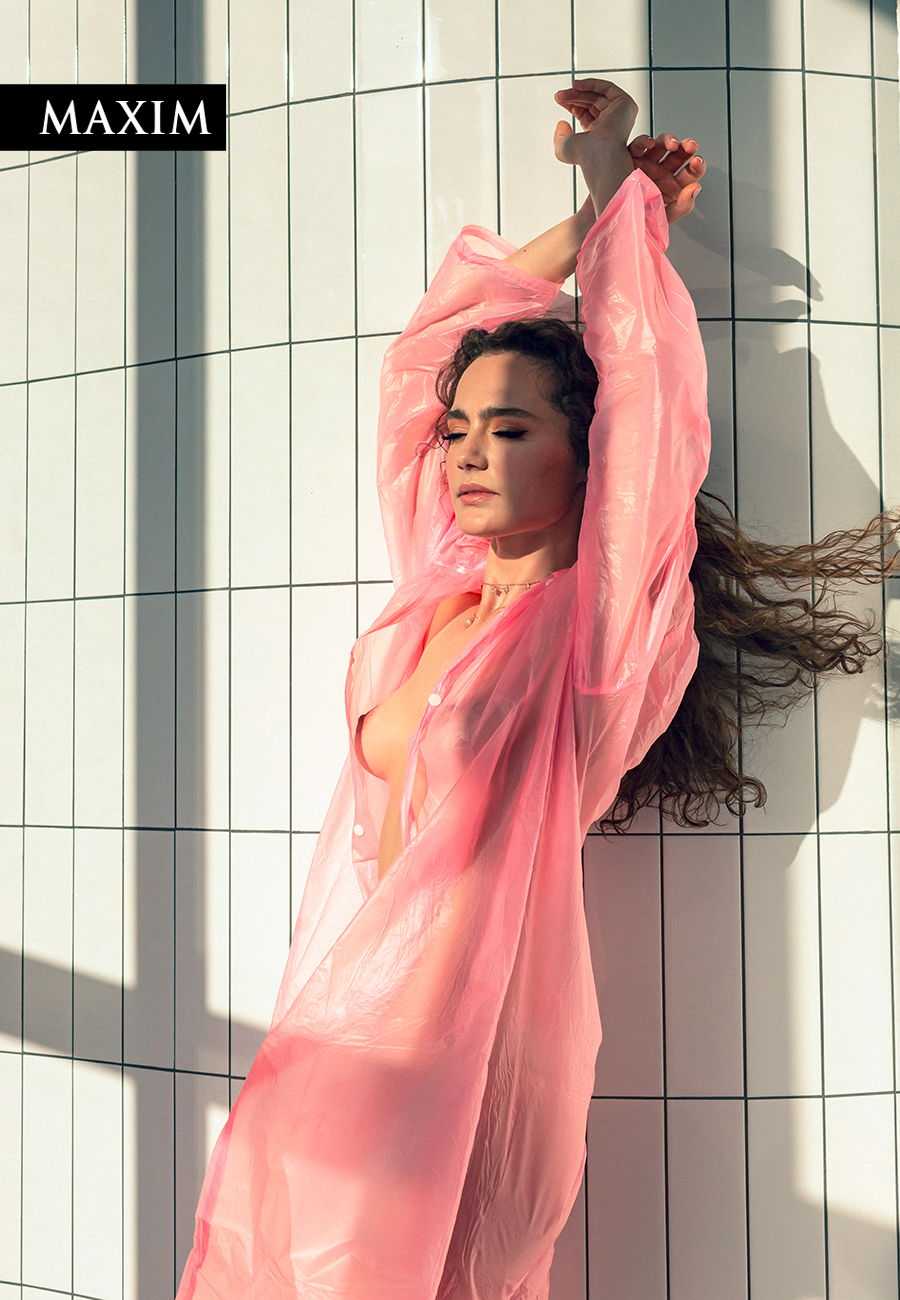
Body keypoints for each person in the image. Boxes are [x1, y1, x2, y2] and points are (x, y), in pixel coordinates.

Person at [175, 80, 898, 1300]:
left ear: (587, 456)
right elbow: (420, 362)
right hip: (344, 1031)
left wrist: (621, 196)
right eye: (461, 432)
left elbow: (648, 401)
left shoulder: (593, 640)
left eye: (509, 432)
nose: (464, 453)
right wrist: (587, 220)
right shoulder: (434, 597)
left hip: (477, 1066)